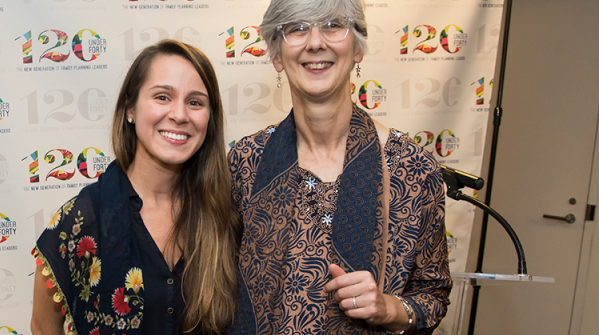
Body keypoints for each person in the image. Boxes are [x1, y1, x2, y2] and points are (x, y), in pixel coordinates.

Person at [227, 0, 451, 334]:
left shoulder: (414, 168)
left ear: (357, 48)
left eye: (333, 24)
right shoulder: (247, 160)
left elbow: (433, 295)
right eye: (297, 27)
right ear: (276, 55)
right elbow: (216, 282)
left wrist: (389, 308)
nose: (316, 42)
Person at [30, 40, 240, 335]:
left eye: (195, 102)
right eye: (162, 97)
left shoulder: (225, 214)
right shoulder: (81, 221)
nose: (180, 115)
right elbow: (42, 328)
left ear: (209, 119)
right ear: (130, 108)